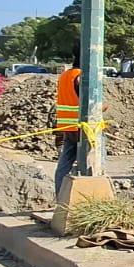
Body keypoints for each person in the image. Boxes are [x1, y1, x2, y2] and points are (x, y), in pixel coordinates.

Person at [53, 49, 83, 194]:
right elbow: (89, 104)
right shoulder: (82, 76)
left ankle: (61, 197)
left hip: (67, 124)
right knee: (90, 161)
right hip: (82, 126)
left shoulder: (65, 75)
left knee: (65, 163)